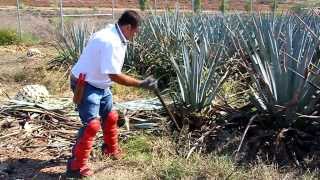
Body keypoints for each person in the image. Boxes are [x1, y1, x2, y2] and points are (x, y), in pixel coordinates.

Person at [66, 10, 157, 178]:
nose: (135, 35)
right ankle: (75, 167)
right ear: (128, 27)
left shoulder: (114, 32)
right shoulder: (110, 41)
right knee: (91, 125)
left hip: (100, 83)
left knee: (111, 117)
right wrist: (141, 84)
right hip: (85, 84)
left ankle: (109, 149)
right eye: (135, 31)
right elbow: (114, 75)